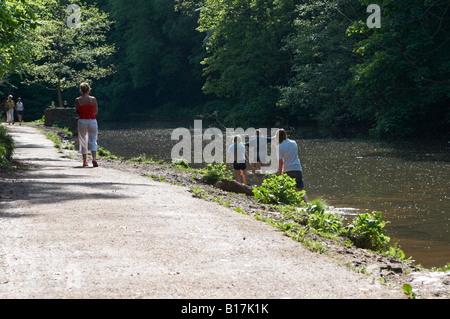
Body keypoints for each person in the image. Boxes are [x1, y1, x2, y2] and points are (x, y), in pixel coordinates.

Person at [276, 129, 308, 204]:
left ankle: (292, 204)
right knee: (299, 189)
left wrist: (280, 174)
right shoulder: (294, 143)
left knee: (288, 189)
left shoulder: (279, 147)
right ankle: (306, 204)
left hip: (287, 169)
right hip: (297, 168)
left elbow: (281, 162)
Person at [75, 82, 99, 167]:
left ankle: (85, 162)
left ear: (81, 90)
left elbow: (77, 111)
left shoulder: (78, 100)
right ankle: (94, 158)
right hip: (92, 120)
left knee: (83, 140)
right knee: (93, 139)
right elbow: (95, 111)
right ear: (88, 90)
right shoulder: (93, 99)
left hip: (82, 121)